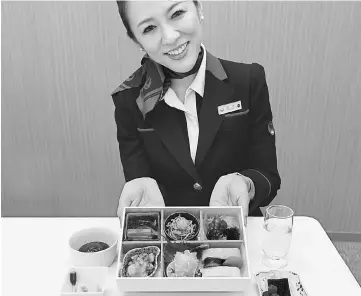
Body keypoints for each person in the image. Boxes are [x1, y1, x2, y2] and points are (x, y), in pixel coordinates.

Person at [111, 0, 281, 223]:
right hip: (170, 236)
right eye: (149, 28)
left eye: (177, 13)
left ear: (199, 9)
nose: (170, 37)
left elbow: (268, 177)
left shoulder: (248, 81)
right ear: (137, 40)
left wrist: (246, 184)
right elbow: (140, 181)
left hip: (234, 231)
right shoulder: (129, 99)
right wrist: (139, 188)